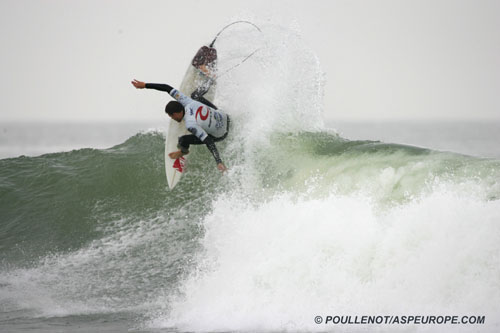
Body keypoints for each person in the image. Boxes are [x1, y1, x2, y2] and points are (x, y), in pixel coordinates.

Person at [131, 79, 229, 173]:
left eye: (171, 116)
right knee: (195, 95)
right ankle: (210, 81)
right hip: (226, 117)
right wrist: (145, 85)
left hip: (222, 134)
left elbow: (209, 141)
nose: (172, 118)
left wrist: (218, 161)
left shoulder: (191, 124)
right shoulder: (187, 101)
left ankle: (183, 151)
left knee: (182, 140)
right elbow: (166, 88)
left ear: (176, 113)